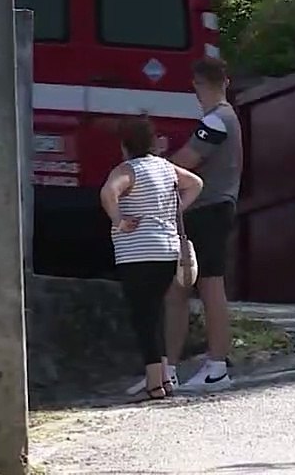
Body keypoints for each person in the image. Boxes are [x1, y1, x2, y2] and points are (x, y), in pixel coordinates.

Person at [100, 116, 204, 401]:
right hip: (167, 251)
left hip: (137, 253)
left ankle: (154, 383)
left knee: (142, 317)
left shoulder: (127, 170)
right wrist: (175, 211)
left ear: (124, 146)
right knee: (154, 312)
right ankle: (164, 378)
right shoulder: (166, 168)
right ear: (152, 142)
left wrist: (119, 219)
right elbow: (196, 183)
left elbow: (109, 192)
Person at [164, 56, 244, 392]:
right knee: (180, 288)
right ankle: (166, 367)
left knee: (210, 286)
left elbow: (186, 161)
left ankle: (216, 366)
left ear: (199, 84)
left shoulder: (216, 121)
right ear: (225, 80)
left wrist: (155, 163)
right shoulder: (221, 119)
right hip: (204, 210)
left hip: (211, 208)